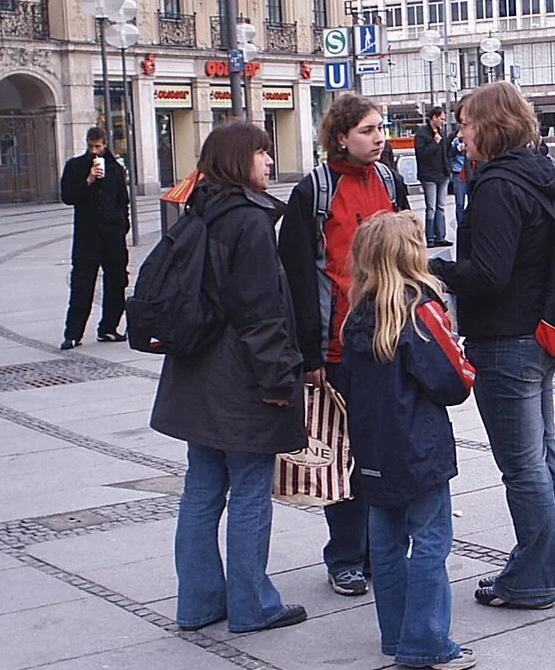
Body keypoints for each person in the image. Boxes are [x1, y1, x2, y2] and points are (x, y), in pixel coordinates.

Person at [150, 121, 307, 634]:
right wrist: (280, 382)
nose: (268, 161)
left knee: (201, 488)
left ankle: (197, 604)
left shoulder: (199, 212)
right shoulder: (248, 221)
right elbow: (260, 314)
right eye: (262, 153)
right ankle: (251, 604)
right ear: (240, 160)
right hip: (239, 381)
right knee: (249, 488)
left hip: (196, 376)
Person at [428, 81, 555, 610]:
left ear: (488, 125)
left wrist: (433, 267)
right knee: (544, 457)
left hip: (506, 339)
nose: (460, 134)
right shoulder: (540, 174)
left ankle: (530, 580)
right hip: (539, 333)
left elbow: (488, 273)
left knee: (523, 466)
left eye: (465, 123)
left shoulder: (495, 186)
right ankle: (547, 569)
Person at [279, 93, 410, 598]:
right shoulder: (314, 191)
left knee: (385, 449)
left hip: (389, 340)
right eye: (368, 131)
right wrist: (308, 354)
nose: (378, 139)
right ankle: (346, 556)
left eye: (381, 129)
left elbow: (407, 255)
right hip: (335, 346)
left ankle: (382, 549)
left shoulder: (390, 181)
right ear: (340, 137)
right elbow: (294, 276)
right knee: (341, 455)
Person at [337, 212, 477, 670]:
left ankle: (395, 635)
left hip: (373, 451)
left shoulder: (357, 315)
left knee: (387, 544)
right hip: (420, 450)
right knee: (431, 541)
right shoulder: (420, 311)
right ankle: (426, 641)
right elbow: (453, 383)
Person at [59, 126, 130, 350]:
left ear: (105, 144)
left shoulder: (116, 169)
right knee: (82, 284)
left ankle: (109, 328)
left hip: (112, 234)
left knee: (117, 281)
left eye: (98, 146)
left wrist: (122, 225)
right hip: (87, 235)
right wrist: (88, 179)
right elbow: (68, 197)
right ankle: (73, 333)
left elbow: (122, 200)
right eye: (91, 146)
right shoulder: (75, 166)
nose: (94, 151)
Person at [414, 106, 452, 247]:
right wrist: (434, 143)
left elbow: (446, 151)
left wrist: (448, 167)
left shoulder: (442, 132)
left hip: (442, 173)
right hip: (429, 175)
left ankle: (440, 236)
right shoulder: (422, 134)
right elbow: (421, 154)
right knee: (431, 208)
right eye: (441, 118)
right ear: (434, 118)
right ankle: (430, 238)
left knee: (441, 206)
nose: (443, 121)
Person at [448, 99, 471, 224]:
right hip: (458, 172)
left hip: (470, 172)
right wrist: (457, 148)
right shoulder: (453, 137)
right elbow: (448, 153)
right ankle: (461, 225)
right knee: (460, 203)